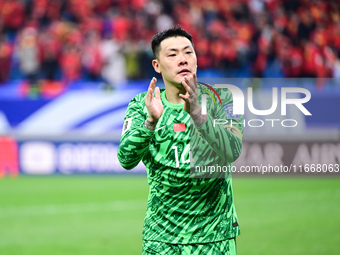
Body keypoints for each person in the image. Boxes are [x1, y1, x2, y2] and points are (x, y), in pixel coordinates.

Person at [117, 26, 243, 255]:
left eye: (188, 52)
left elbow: (232, 150)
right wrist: (150, 122)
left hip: (215, 237)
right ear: (157, 65)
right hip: (161, 239)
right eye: (173, 54)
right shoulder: (141, 105)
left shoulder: (223, 98)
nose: (182, 60)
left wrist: (197, 114)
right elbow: (125, 159)